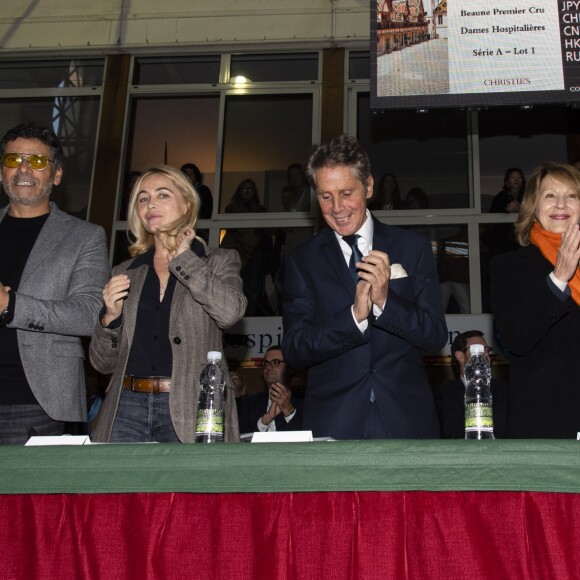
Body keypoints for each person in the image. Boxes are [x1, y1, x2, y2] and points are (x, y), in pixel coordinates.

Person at [279, 134, 448, 440]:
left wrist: (386, 302)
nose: (336, 207)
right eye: (325, 196)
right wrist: (354, 317)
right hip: (334, 425)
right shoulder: (300, 261)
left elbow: (434, 334)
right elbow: (295, 350)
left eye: (346, 193)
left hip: (407, 422)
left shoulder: (413, 248)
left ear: (368, 187)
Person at [89, 164, 246, 443]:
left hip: (193, 404)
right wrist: (109, 318)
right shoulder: (125, 271)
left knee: (187, 487)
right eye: (143, 198)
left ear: (187, 204)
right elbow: (101, 363)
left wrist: (185, 260)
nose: (150, 204)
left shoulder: (219, 260)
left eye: (162, 195)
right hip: (126, 407)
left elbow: (230, 312)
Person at [0, 121, 110, 444]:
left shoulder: (85, 236)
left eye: (36, 161)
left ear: (56, 174)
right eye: (12, 160)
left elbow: (90, 315)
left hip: (40, 404)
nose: (23, 169)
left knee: (34, 497)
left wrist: (11, 306)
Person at [490, 162, 580, 438]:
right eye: (550, 195)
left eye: (572, 195)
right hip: (547, 424)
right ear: (533, 206)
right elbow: (516, 339)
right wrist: (559, 278)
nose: (561, 204)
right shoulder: (509, 267)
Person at [432, 331, 508, 439]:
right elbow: (449, 433)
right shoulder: (445, 393)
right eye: (479, 350)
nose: (486, 354)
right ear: (460, 356)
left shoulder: (503, 390)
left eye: (487, 350)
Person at [222, 178, 274, 315]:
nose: (246, 191)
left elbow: (263, 230)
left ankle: (250, 316)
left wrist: (252, 236)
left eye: (250, 189)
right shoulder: (231, 208)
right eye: (244, 188)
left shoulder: (261, 210)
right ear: (239, 191)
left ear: (254, 192)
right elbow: (235, 227)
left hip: (255, 254)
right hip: (234, 250)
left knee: (252, 289)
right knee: (233, 285)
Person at [237, 345, 302, 434]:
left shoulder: (305, 401)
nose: (268, 367)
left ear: (289, 367)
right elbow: (236, 437)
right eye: (266, 363)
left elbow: (312, 436)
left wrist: (288, 410)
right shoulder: (249, 403)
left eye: (275, 362)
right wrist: (264, 421)